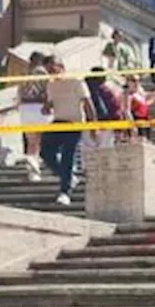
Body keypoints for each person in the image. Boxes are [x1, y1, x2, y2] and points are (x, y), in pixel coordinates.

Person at [42, 57, 94, 206]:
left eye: (52, 70)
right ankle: (69, 177)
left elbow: (88, 103)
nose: (51, 74)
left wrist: (93, 126)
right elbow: (51, 103)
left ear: (61, 67)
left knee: (67, 156)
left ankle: (65, 192)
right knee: (45, 151)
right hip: (58, 121)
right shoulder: (50, 85)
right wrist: (46, 108)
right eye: (48, 71)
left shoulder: (76, 81)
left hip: (74, 123)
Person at [17, 51, 49, 182]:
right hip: (39, 107)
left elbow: (19, 92)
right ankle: (36, 167)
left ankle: (32, 170)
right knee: (40, 140)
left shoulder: (24, 73)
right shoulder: (43, 73)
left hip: (25, 108)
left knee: (31, 142)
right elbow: (48, 90)